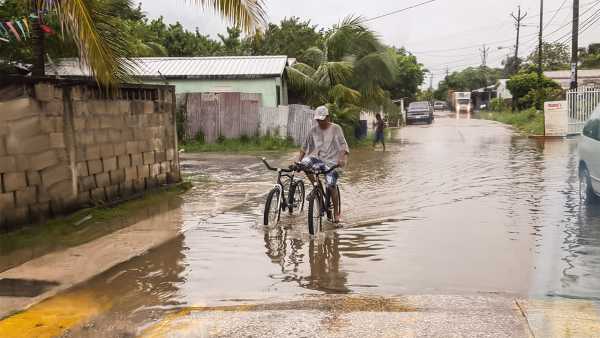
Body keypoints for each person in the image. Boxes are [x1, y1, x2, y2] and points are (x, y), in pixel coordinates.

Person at [298, 105, 349, 224]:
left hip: (333, 162)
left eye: (322, 119)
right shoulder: (313, 130)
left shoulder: (336, 128)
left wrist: (341, 159)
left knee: (331, 185)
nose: (320, 122)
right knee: (304, 164)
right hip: (319, 159)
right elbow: (304, 147)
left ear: (328, 117)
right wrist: (299, 161)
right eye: (318, 120)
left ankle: (336, 213)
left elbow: (343, 146)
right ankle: (317, 188)